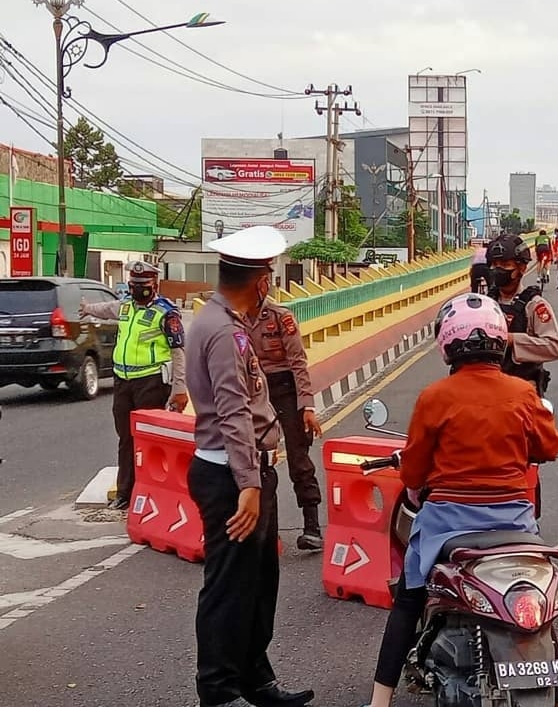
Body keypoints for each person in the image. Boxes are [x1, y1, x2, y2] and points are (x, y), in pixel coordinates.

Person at [361, 293, 558, 707]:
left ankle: (380, 699)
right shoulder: (523, 392)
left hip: (447, 523)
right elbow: (550, 446)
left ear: (447, 344)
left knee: (408, 597)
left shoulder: (435, 397)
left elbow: (413, 474)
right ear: (501, 341)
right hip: (514, 523)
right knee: (532, 593)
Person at [186, 225, 314, 707]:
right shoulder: (222, 331)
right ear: (260, 280)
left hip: (246, 469)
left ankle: (256, 680)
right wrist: (248, 485)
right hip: (230, 474)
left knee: (259, 583)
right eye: (270, 276)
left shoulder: (225, 322)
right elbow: (231, 411)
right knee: (230, 587)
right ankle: (218, 690)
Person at [79, 260, 188, 511]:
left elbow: (178, 353)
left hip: (151, 381)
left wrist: (179, 388)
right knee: (125, 439)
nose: (138, 289)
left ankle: (152, 493)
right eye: (134, 285)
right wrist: (88, 309)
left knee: (150, 442)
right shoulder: (126, 306)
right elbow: (107, 309)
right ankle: (126, 492)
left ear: (155, 285)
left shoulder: (166, 313)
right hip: (123, 381)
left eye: (143, 285)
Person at [247, 297, 325, 551]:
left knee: (299, 460)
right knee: (255, 462)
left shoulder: (281, 317)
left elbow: (298, 362)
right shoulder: (233, 318)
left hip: (286, 391)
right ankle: (265, 531)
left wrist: (307, 407)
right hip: (255, 392)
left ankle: (311, 528)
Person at [486, 233, 558, 395]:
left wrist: (513, 340)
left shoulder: (534, 305)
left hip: (523, 390)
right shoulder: (485, 303)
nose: (498, 270)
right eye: (494, 265)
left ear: (521, 267)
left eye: (505, 264)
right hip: (488, 388)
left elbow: (555, 347)